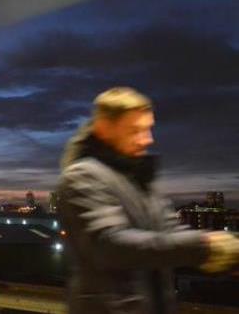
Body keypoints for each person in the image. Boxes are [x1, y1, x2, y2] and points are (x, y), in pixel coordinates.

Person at [56, 87, 239, 314]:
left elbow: (169, 233)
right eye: (135, 130)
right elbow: (109, 245)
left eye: (148, 129)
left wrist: (230, 251)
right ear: (105, 129)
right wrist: (205, 247)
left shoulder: (138, 179)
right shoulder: (83, 177)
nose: (147, 139)